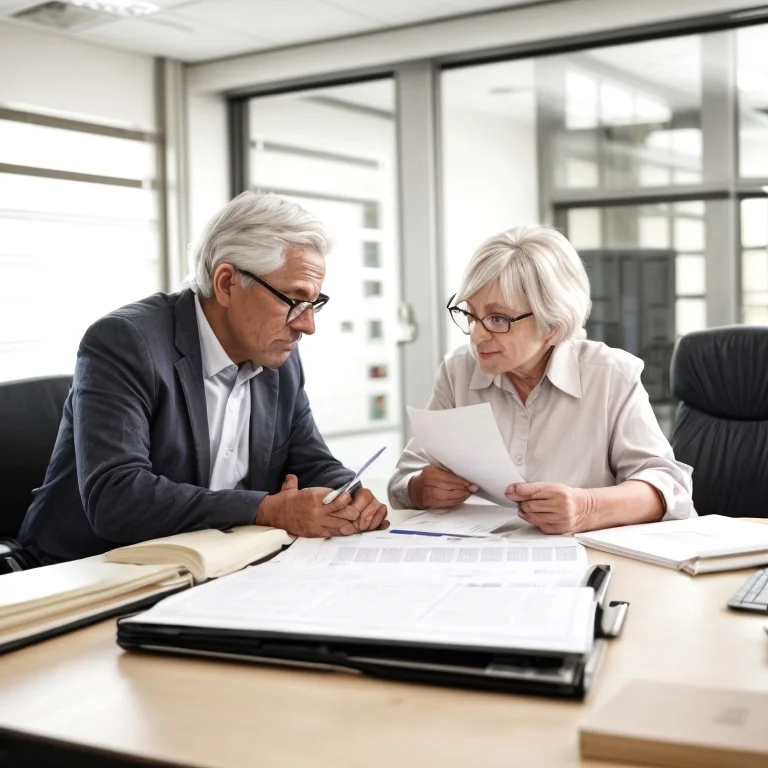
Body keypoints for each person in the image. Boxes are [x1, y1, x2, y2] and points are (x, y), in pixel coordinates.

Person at [20, 192, 387, 565]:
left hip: (215, 568)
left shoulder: (277, 355)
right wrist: (267, 509)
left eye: (313, 303)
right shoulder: (126, 342)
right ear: (227, 283)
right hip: (88, 571)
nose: (306, 325)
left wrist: (350, 495)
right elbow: (117, 497)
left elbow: (310, 462)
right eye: (293, 300)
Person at [388, 225, 695, 534]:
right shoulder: (458, 371)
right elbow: (405, 476)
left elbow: (668, 488)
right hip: (478, 562)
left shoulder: (610, 375)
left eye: (497, 319)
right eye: (470, 313)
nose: (477, 334)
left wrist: (586, 508)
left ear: (553, 327)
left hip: (585, 562)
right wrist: (419, 488)